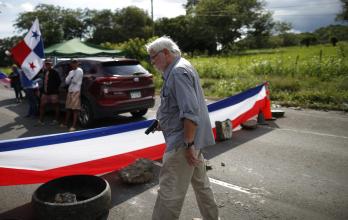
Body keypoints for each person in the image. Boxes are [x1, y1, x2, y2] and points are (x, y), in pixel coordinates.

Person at [146, 36, 219, 220]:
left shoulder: (178, 72)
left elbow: (190, 112)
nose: (152, 61)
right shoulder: (179, 67)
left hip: (183, 144)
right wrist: (163, 122)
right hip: (190, 140)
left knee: (169, 194)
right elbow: (178, 107)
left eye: (153, 56)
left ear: (166, 53)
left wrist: (188, 145)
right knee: (202, 185)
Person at [61, 59, 83, 132]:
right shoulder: (71, 72)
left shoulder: (79, 70)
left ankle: (74, 126)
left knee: (75, 109)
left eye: (75, 63)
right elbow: (67, 81)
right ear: (71, 64)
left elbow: (75, 81)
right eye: (72, 63)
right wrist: (71, 78)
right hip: (70, 91)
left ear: (77, 64)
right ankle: (65, 123)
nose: (73, 64)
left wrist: (70, 78)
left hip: (76, 91)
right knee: (68, 108)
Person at [38, 58, 61, 125]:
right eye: (46, 64)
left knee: (55, 106)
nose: (47, 65)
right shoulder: (44, 72)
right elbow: (43, 82)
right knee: (42, 106)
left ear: (51, 64)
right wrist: (41, 90)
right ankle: (41, 120)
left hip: (53, 93)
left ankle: (56, 120)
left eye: (48, 64)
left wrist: (53, 89)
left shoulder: (55, 72)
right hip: (45, 92)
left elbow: (58, 82)